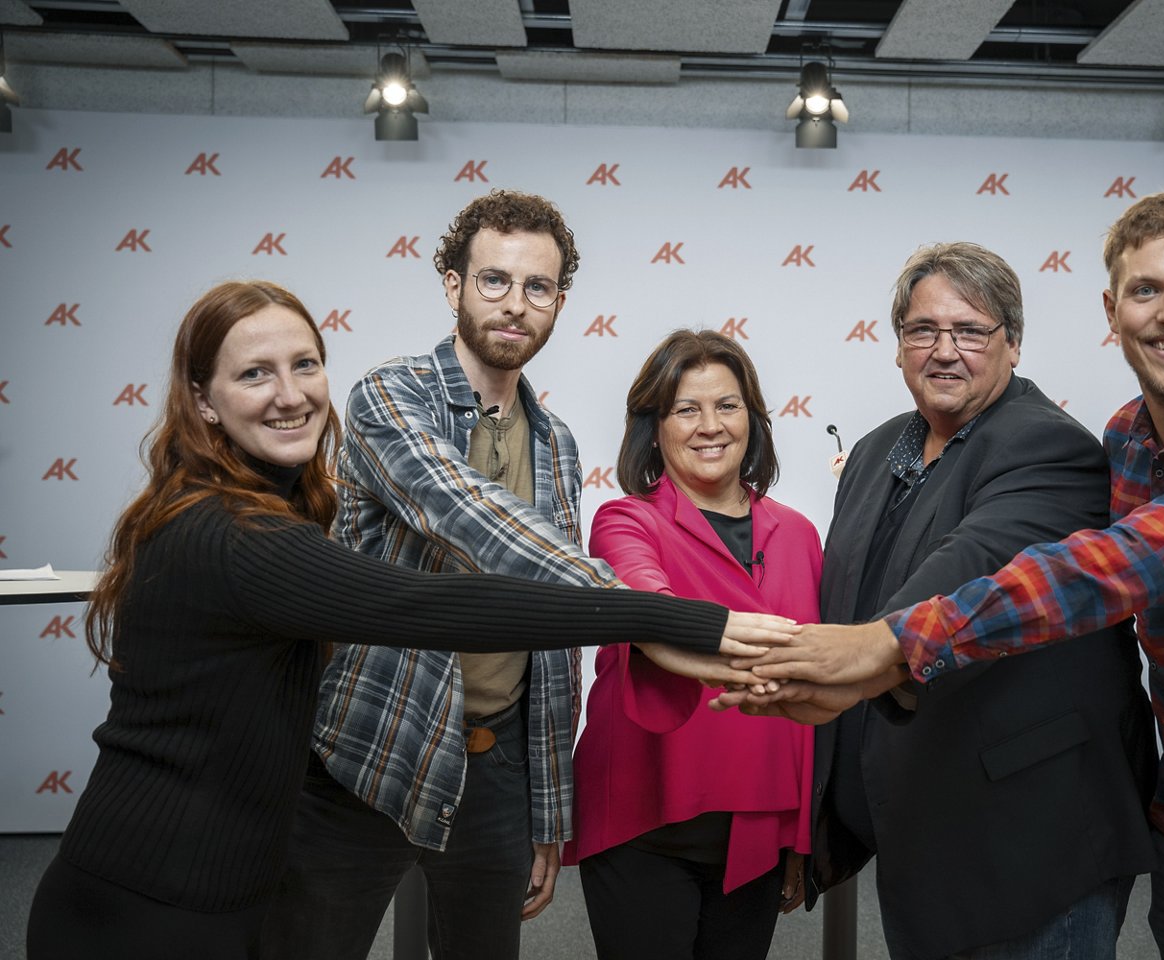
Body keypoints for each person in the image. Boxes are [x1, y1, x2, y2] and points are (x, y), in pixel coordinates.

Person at [726, 193, 1164, 960]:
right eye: (1146, 290)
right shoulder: (1127, 438)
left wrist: (891, 643)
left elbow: (1121, 566)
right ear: (1112, 309)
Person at [24, 280, 790, 960]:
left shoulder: (277, 503)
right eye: (254, 373)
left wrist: (546, 801)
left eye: (304, 365)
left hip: (213, 880)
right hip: (148, 896)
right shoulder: (234, 533)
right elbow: (431, 603)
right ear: (202, 401)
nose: (290, 394)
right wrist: (675, 620)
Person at [261, 188, 715, 960]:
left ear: (560, 301)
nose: (515, 304)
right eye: (494, 280)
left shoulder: (558, 441)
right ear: (453, 285)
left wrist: (547, 811)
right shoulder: (389, 394)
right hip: (374, 742)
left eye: (537, 287)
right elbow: (473, 521)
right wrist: (654, 617)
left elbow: (551, 640)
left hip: (496, 760)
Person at [802, 242, 1155, 960]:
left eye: (970, 331)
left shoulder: (1051, 448)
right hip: (926, 831)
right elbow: (845, 597)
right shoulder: (873, 453)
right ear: (897, 345)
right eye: (923, 331)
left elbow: (957, 575)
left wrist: (794, 670)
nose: (944, 351)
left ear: (1013, 343)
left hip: (1032, 842)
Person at [562, 330, 822, 960]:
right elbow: (650, 607)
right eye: (686, 409)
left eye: (727, 406)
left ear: (753, 421)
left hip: (758, 822)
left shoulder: (799, 534)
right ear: (654, 428)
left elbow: (814, 692)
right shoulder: (626, 521)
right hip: (645, 818)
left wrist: (801, 835)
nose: (710, 426)